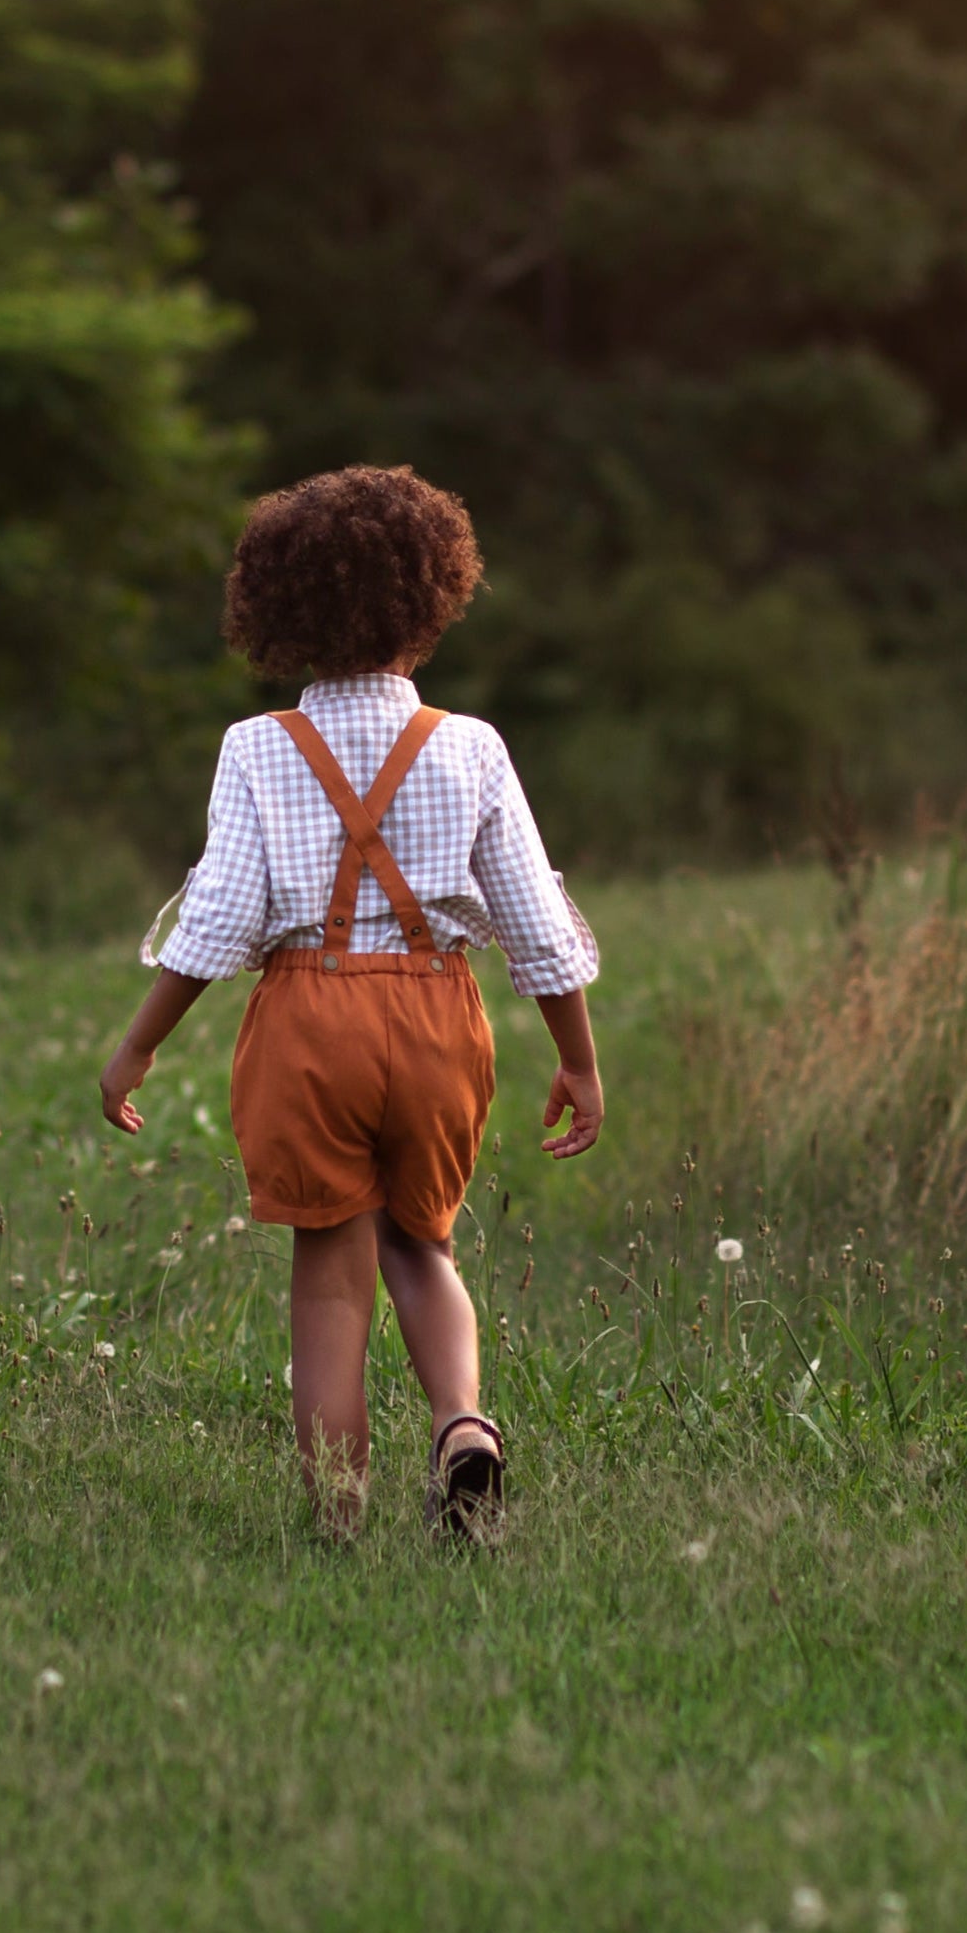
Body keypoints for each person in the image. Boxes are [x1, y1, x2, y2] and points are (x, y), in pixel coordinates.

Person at [98, 466, 602, 1538]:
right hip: (433, 1016)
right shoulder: (468, 745)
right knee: (421, 1243)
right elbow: (533, 919)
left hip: (305, 1022)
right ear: (431, 602)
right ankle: (462, 1423)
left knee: (328, 1275)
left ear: (277, 610)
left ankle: (335, 1514)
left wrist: (137, 1045)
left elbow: (221, 914)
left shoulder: (255, 746)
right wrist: (579, 1059)